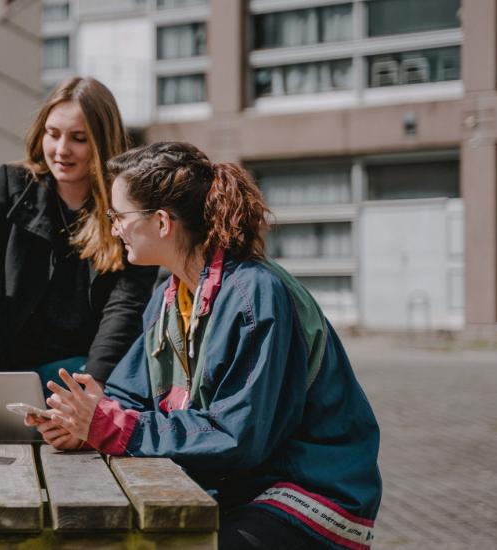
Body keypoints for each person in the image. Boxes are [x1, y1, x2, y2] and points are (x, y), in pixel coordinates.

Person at [31, 142, 382, 549]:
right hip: (238, 487)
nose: (113, 229)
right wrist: (86, 424)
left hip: (310, 494)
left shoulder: (255, 294)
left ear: (161, 221)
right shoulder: (169, 297)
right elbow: (130, 396)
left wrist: (114, 426)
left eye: (118, 216)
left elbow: (236, 436)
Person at [0, 76, 157, 393]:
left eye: (78, 138)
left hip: (83, 369)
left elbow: (127, 303)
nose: (61, 150)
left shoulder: (128, 203)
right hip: (8, 369)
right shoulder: (11, 186)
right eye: (53, 134)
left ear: (102, 142)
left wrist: (96, 384)